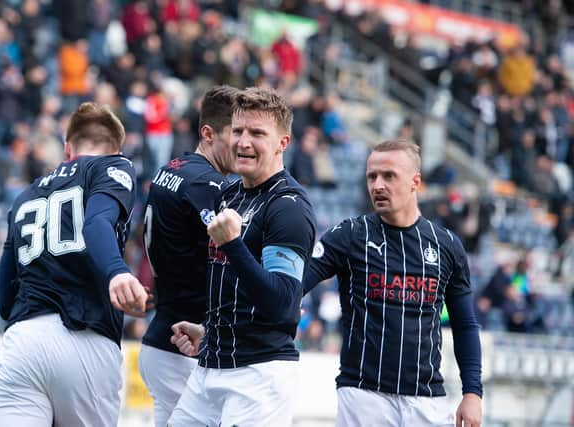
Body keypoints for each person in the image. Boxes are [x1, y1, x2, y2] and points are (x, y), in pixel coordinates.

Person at [304, 140, 482, 426]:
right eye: (372, 176)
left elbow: (465, 325)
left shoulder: (447, 245)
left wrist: (473, 392)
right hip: (364, 397)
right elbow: (295, 284)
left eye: (389, 176)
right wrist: (286, 305)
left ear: (415, 182)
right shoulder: (349, 236)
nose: (377, 185)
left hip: (427, 399)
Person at [168, 87, 316, 427]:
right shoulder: (229, 193)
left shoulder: (288, 208)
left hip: (258, 375)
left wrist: (232, 244)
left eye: (257, 134)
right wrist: (211, 330)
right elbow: (233, 283)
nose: (243, 142)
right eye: (238, 131)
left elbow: (280, 304)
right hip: (210, 365)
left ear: (283, 143)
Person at [0, 102, 150, 427]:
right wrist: (117, 271)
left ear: (67, 148)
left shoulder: (25, 195)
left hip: (23, 340)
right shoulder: (112, 167)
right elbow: (95, 223)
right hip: (84, 334)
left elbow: (4, 301)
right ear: (115, 149)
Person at [138, 85, 239, 427]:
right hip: (184, 344)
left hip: (164, 336)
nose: (242, 144)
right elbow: (233, 257)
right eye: (234, 134)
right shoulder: (207, 185)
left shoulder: (171, 169)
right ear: (208, 133)